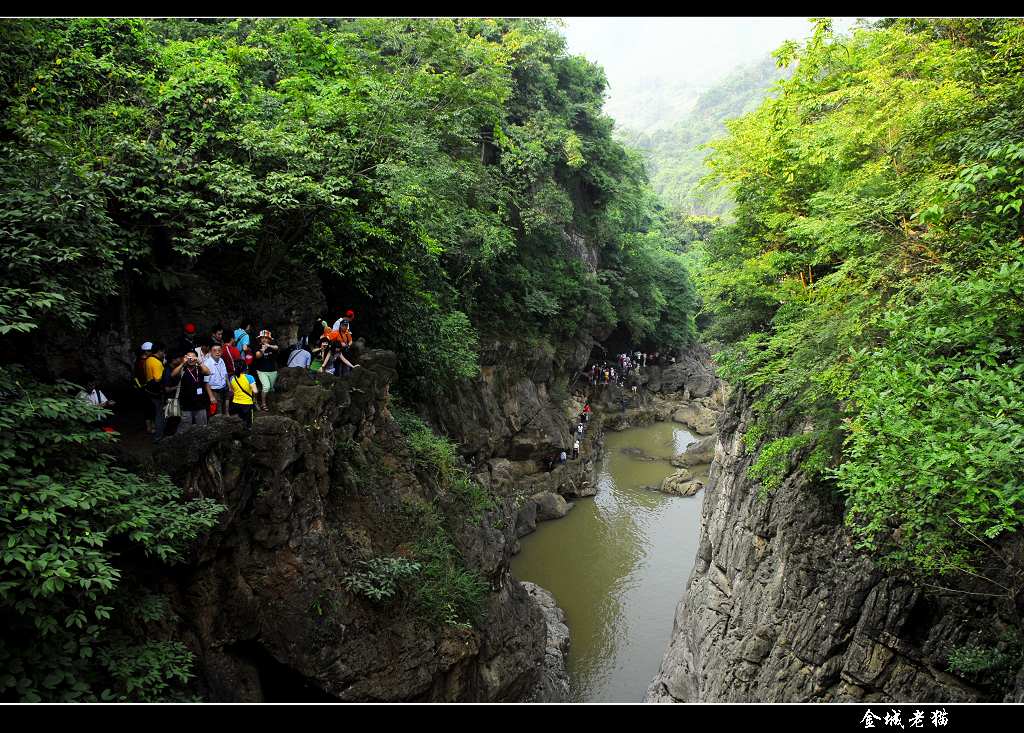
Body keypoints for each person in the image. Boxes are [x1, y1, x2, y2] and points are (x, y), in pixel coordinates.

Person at [171, 349, 211, 432]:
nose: (191, 359)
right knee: (185, 427)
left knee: (202, 427)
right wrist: (182, 363)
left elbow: (208, 372)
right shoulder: (183, 369)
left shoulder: (199, 368)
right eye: (189, 357)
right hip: (186, 404)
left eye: (193, 357)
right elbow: (173, 375)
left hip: (200, 403)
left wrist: (199, 362)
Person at [141, 342, 167, 442]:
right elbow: (157, 379)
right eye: (163, 352)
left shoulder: (148, 359)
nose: (164, 354)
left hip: (149, 390)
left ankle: (158, 435)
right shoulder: (157, 363)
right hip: (156, 392)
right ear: (160, 351)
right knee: (159, 414)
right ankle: (159, 436)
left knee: (155, 412)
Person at [252, 330, 279, 411]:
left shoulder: (272, 346)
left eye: (266, 338)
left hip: (273, 371)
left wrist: (269, 346)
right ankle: (263, 404)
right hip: (261, 371)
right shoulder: (257, 346)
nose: (264, 339)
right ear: (260, 339)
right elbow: (257, 356)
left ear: (269, 339)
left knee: (271, 388)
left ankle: (268, 401)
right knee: (266, 386)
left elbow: (277, 348)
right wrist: (262, 350)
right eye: (262, 338)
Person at [228, 360, 257, 429]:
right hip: (247, 404)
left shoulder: (232, 378)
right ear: (245, 367)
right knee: (248, 424)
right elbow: (255, 391)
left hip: (235, 403)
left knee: (237, 423)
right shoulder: (250, 377)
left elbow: (231, 390)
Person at [203, 343, 229, 415]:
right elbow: (206, 381)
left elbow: (225, 374)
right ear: (210, 352)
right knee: (217, 412)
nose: (217, 352)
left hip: (223, 388)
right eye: (214, 350)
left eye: (219, 350)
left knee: (225, 409)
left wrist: (229, 387)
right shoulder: (207, 363)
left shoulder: (221, 360)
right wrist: (211, 396)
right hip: (214, 391)